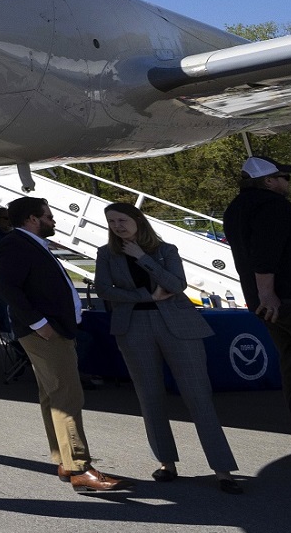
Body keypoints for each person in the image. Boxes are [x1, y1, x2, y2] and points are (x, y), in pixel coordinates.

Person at [93, 202, 241, 493]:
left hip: (179, 327)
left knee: (198, 396)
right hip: (133, 328)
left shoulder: (165, 250)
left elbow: (177, 284)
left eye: (122, 220)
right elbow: (104, 289)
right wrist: (146, 295)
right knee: (149, 396)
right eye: (111, 222)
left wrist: (142, 257)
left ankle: (222, 469)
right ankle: (166, 463)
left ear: (138, 220)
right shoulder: (106, 254)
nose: (117, 226)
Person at [0, 195, 129, 493]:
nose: (52, 221)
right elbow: (6, 286)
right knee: (67, 396)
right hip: (46, 333)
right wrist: (40, 324)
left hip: (51, 330)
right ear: (32, 219)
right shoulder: (16, 244)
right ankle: (80, 467)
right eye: (48, 216)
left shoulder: (29, 244)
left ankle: (67, 461)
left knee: (53, 395)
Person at [223, 156, 291, 451]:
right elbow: (265, 253)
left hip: (264, 305)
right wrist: (268, 292)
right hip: (287, 298)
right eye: (284, 177)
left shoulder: (235, 209)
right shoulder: (273, 206)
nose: (287, 182)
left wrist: (261, 297)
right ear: (269, 181)